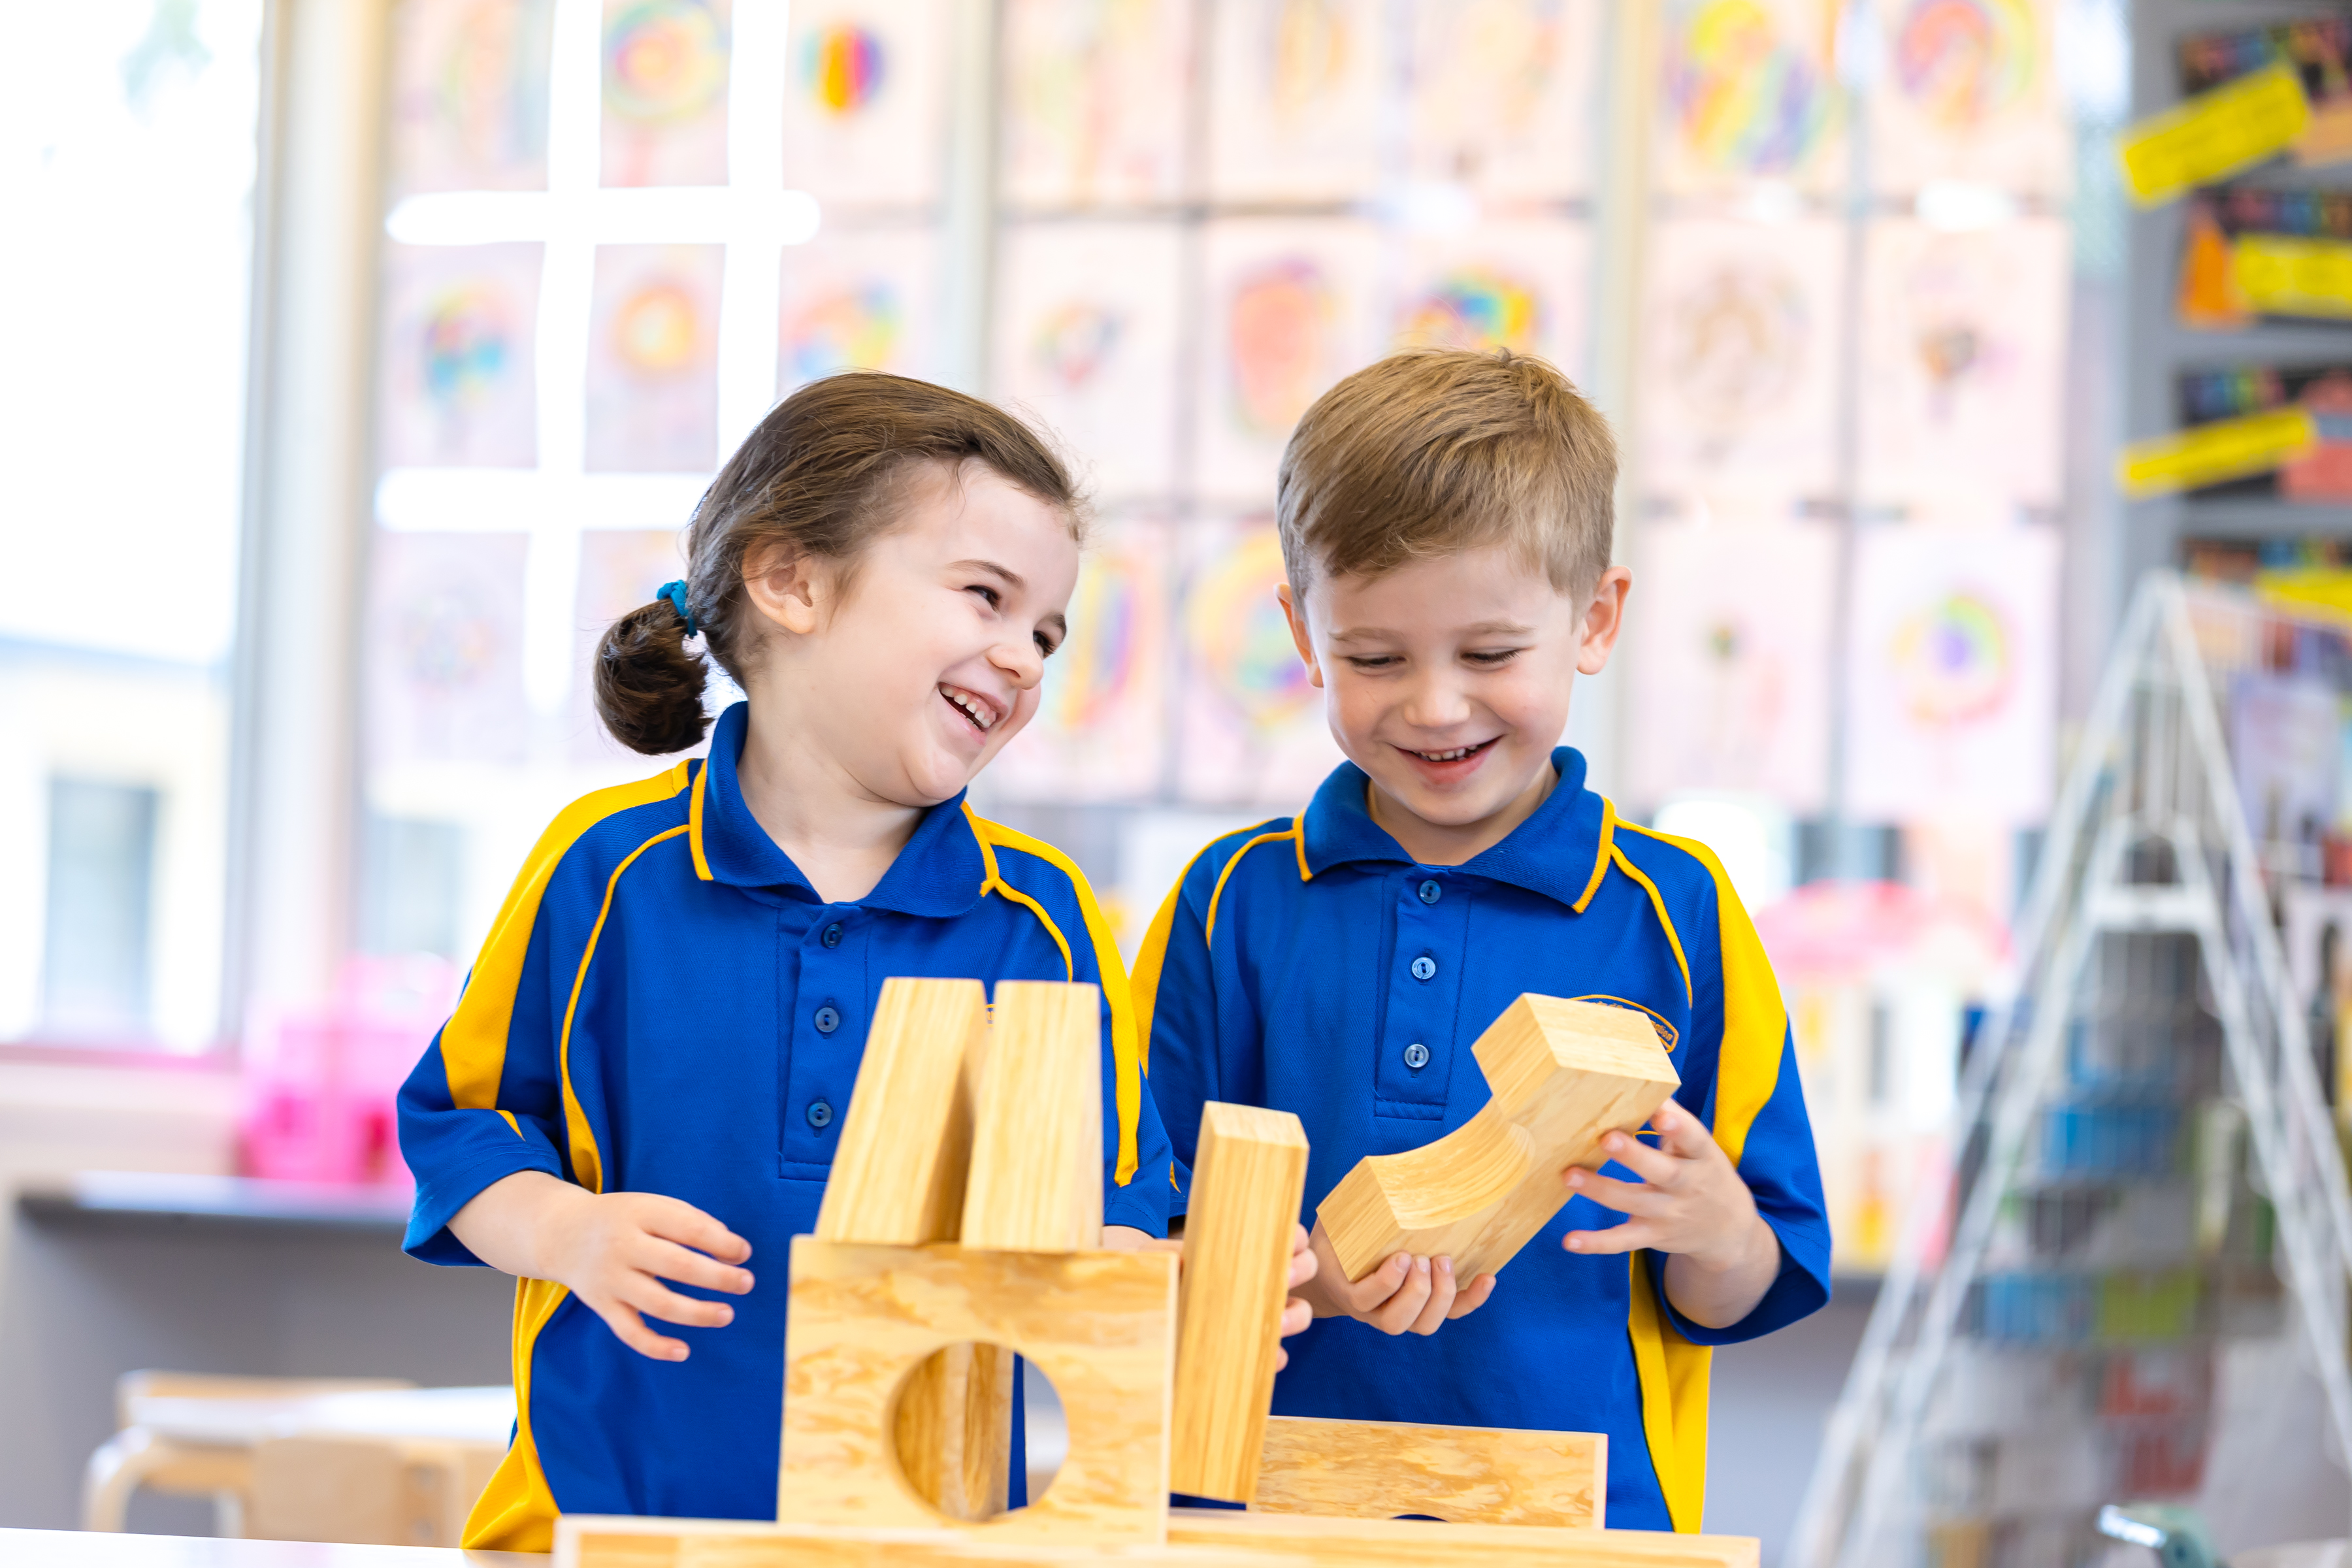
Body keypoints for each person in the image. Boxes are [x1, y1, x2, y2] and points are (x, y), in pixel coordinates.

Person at [395, 373, 1269, 1550]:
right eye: (985, 597)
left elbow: (1119, 1207)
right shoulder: (606, 872)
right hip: (603, 1518)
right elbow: (461, 1131)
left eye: (1046, 632)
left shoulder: (1045, 923)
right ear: (793, 579)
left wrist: (1159, 1278)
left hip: (921, 1536)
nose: (1022, 659)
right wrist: (567, 1235)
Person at [1135, 349, 1831, 1533]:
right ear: (1304, 635)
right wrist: (1297, 1278)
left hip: (1583, 1523)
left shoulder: (1679, 910)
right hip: (1256, 1511)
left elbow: (1745, 1287)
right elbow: (1140, 1250)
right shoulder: (1226, 903)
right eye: (1373, 658)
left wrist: (1717, 1231)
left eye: (1491, 654)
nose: (1437, 705)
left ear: (1595, 620)